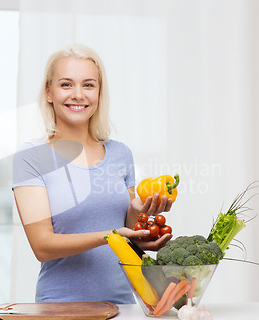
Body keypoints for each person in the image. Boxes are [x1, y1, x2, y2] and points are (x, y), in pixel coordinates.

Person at [12, 44, 173, 304]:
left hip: (124, 304)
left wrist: (138, 213)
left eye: (88, 85)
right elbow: (42, 246)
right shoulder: (32, 157)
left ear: (99, 93)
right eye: (66, 85)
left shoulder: (121, 153)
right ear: (49, 92)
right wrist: (110, 235)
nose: (78, 94)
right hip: (62, 308)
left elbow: (127, 234)